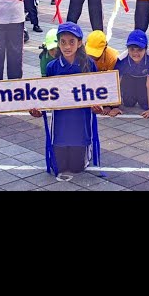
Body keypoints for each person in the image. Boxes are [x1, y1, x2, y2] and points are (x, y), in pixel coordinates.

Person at [29, 21, 114, 178]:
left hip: (80, 123)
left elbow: (96, 92)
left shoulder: (88, 64)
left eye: (71, 42)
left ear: (80, 43)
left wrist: (98, 106)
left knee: (76, 168)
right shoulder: (52, 67)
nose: (67, 46)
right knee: (59, 167)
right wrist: (38, 110)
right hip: (61, 124)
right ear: (58, 43)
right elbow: (46, 95)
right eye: (63, 42)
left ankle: (84, 152)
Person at [113, 29, 149, 117]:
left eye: (139, 49)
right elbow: (116, 83)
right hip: (128, 79)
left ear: (146, 49)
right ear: (127, 49)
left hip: (144, 79)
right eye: (132, 49)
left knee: (144, 104)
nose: (135, 53)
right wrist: (114, 106)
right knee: (128, 103)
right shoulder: (122, 60)